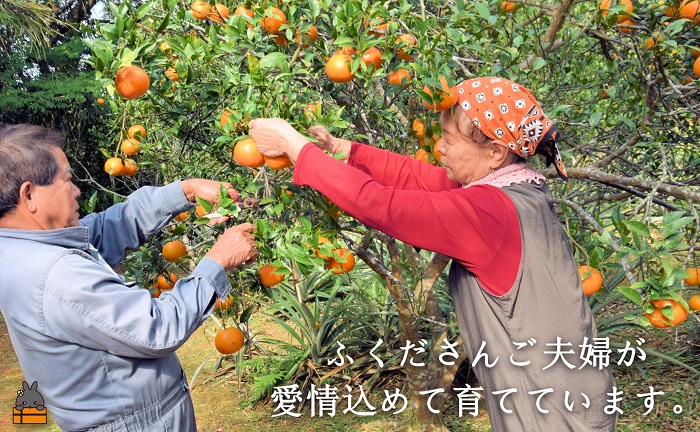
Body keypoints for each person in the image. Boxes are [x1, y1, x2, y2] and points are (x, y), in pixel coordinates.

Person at [249, 77, 617, 431]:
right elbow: (419, 178)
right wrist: (343, 150)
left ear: (494, 152)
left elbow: (380, 205)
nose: (438, 147)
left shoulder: (488, 212)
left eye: (449, 139)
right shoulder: (513, 188)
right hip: (571, 397)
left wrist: (295, 145)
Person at [0, 124, 258, 431]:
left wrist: (186, 190)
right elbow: (156, 329)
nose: (76, 189)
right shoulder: (54, 274)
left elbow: (107, 226)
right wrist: (217, 260)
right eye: (67, 179)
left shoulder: (22, 245)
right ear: (29, 194)